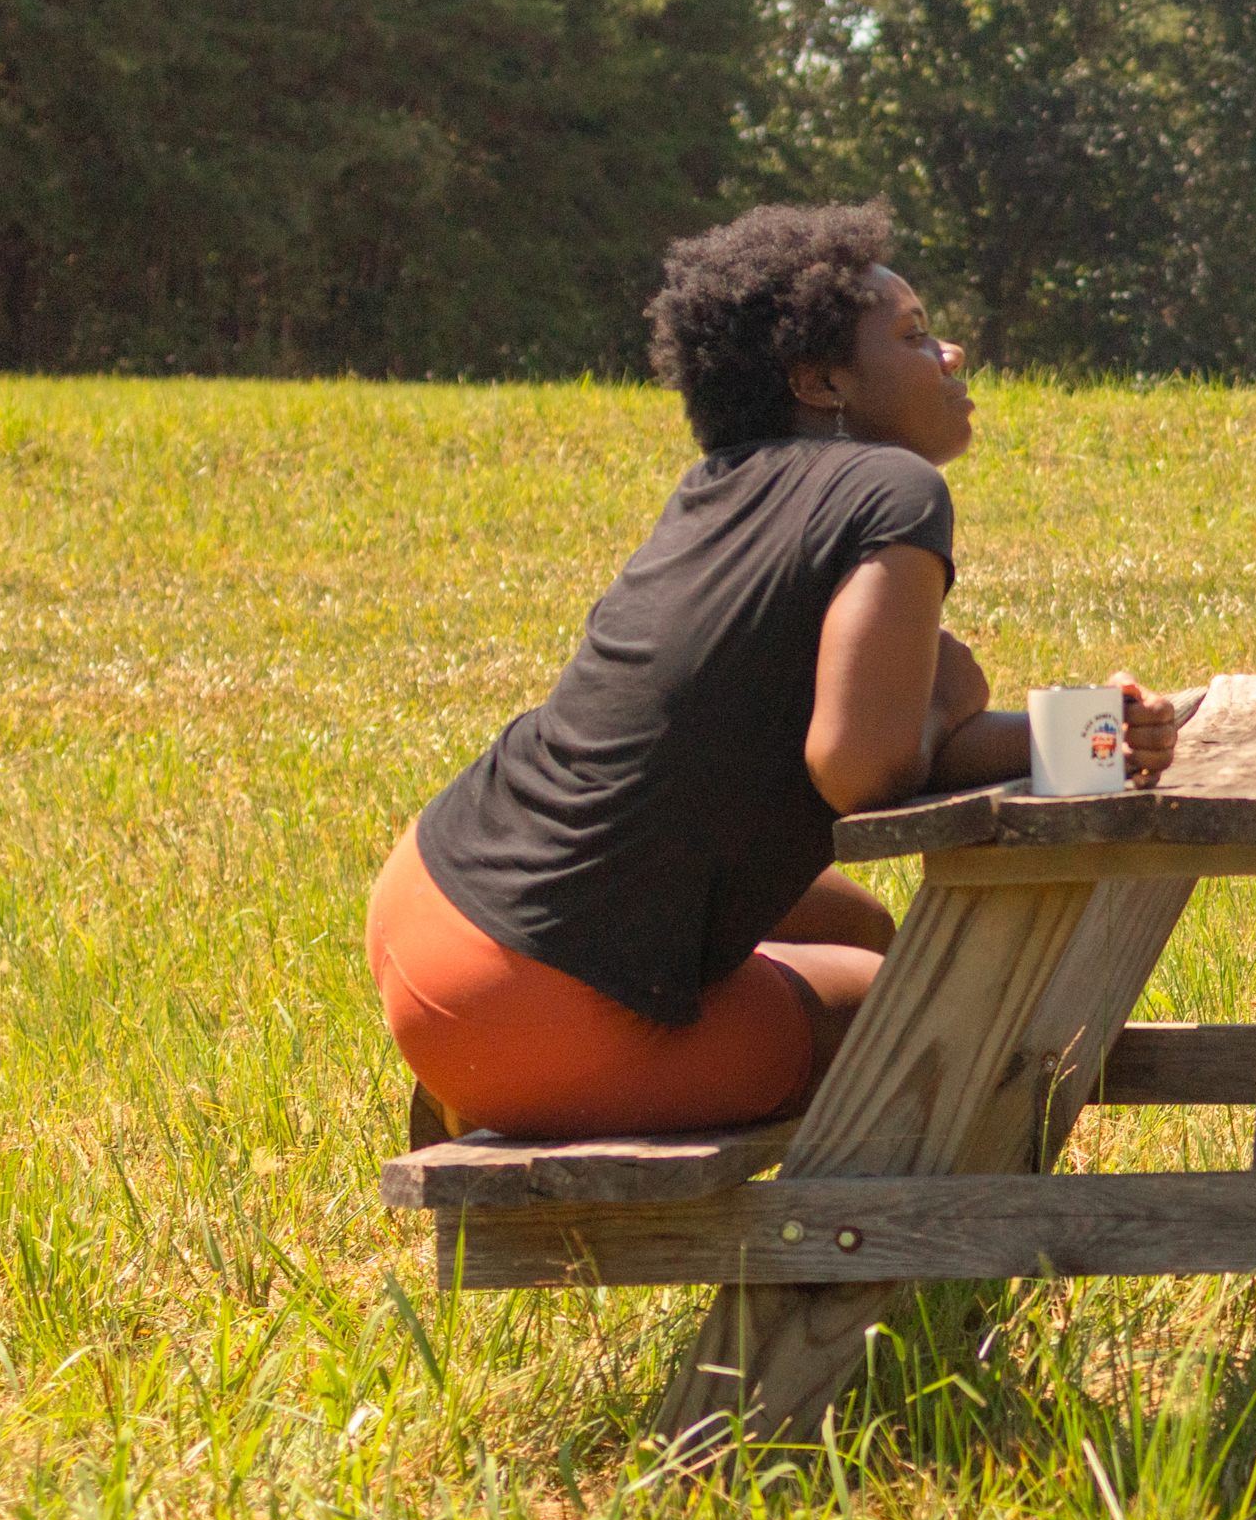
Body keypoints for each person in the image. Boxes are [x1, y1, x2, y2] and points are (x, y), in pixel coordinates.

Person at [368, 202, 1193, 1140]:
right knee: (930, 1018)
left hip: (431, 893)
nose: (951, 354)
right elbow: (861, 768)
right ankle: (509, 1094)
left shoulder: (720, 483)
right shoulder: (895, 489)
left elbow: (857, 746)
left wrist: (1097, 737)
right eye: (917, 336)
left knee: (863, 932)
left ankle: (476, 1070)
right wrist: (955, 705)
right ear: (821, 380)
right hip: (536, 998)